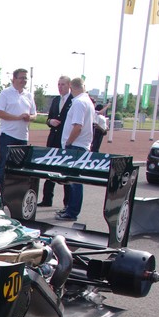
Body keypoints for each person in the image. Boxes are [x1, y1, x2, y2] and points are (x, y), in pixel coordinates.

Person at [56, 78, 95, 222]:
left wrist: (68, 142)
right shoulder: (87, 101)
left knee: (74, 181)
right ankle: (70, 208)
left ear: (71, 87)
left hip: (76, 146)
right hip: (81, 145)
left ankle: (72, 211)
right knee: (74, 180)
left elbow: (77, 126)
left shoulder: (79, 102)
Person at [0, 68, 37, 185]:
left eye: (25, 78)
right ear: (14, 79)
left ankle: (14, 191)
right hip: (8, 135)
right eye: (21, 78)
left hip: (23, 137)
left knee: (19, 166)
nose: (24, 80)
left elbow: (34, 115)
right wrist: (18, 117)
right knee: (4, 164)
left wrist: (29, 117)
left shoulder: (29, 95)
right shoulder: (5, 93)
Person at [40, 75, 73, 207]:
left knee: (66, 172)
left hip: (65, 140)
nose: (60, 87)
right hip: (53, 139)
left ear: (69, 85)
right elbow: (48, 119)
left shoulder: (74, 101)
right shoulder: (55, 100)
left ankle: (67, 203)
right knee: (49, 169)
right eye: (59, 84)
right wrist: (50, 122)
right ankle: (47, 199)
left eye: (63, 84)